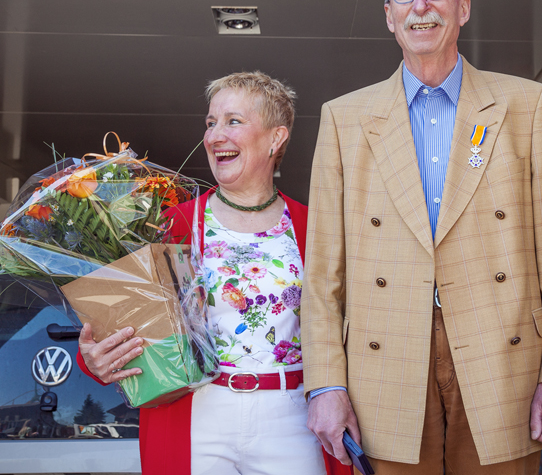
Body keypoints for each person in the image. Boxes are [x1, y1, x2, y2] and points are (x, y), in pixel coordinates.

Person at [302, 0, 542, 475]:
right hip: (384, 361)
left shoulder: (525, 106)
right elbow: (322, 272)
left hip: (501, 357)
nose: (422, 5)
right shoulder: (344, 118)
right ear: (389, 15)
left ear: (463, 7)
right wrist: (325, 383)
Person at [77, 71, 350, 475]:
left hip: (294, 418)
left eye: (233, 121)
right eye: (210, 123)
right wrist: (94, 360)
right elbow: (118, 323)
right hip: (195, 414)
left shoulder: (317, 227)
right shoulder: (166, 225)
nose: (214, 135)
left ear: (276, 138)